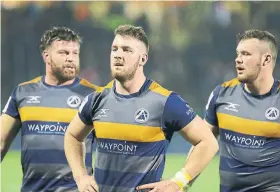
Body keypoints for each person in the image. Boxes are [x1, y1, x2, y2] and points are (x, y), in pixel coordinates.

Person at [64, 24, 219, 192]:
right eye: (114, 49)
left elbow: (208, 142)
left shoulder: (165, 101)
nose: (118, 55)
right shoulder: (96, 99)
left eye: (127, 50)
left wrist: (179, 182)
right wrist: (80, 176)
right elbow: (72, 135)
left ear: (143, 59)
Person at [189, 29, 280, 192]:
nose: (238, 60)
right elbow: (203, 143)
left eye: (246, 54)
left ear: (266, 59)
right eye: (238, 54)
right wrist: (181, 183)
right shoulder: (221, 94)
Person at [0, 26, 99, 192]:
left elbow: (117, 144)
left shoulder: (94, 95)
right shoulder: (23, 92)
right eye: (63, 53)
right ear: (46, 56)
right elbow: (1, 142)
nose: (71, 58)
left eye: (75, 53)